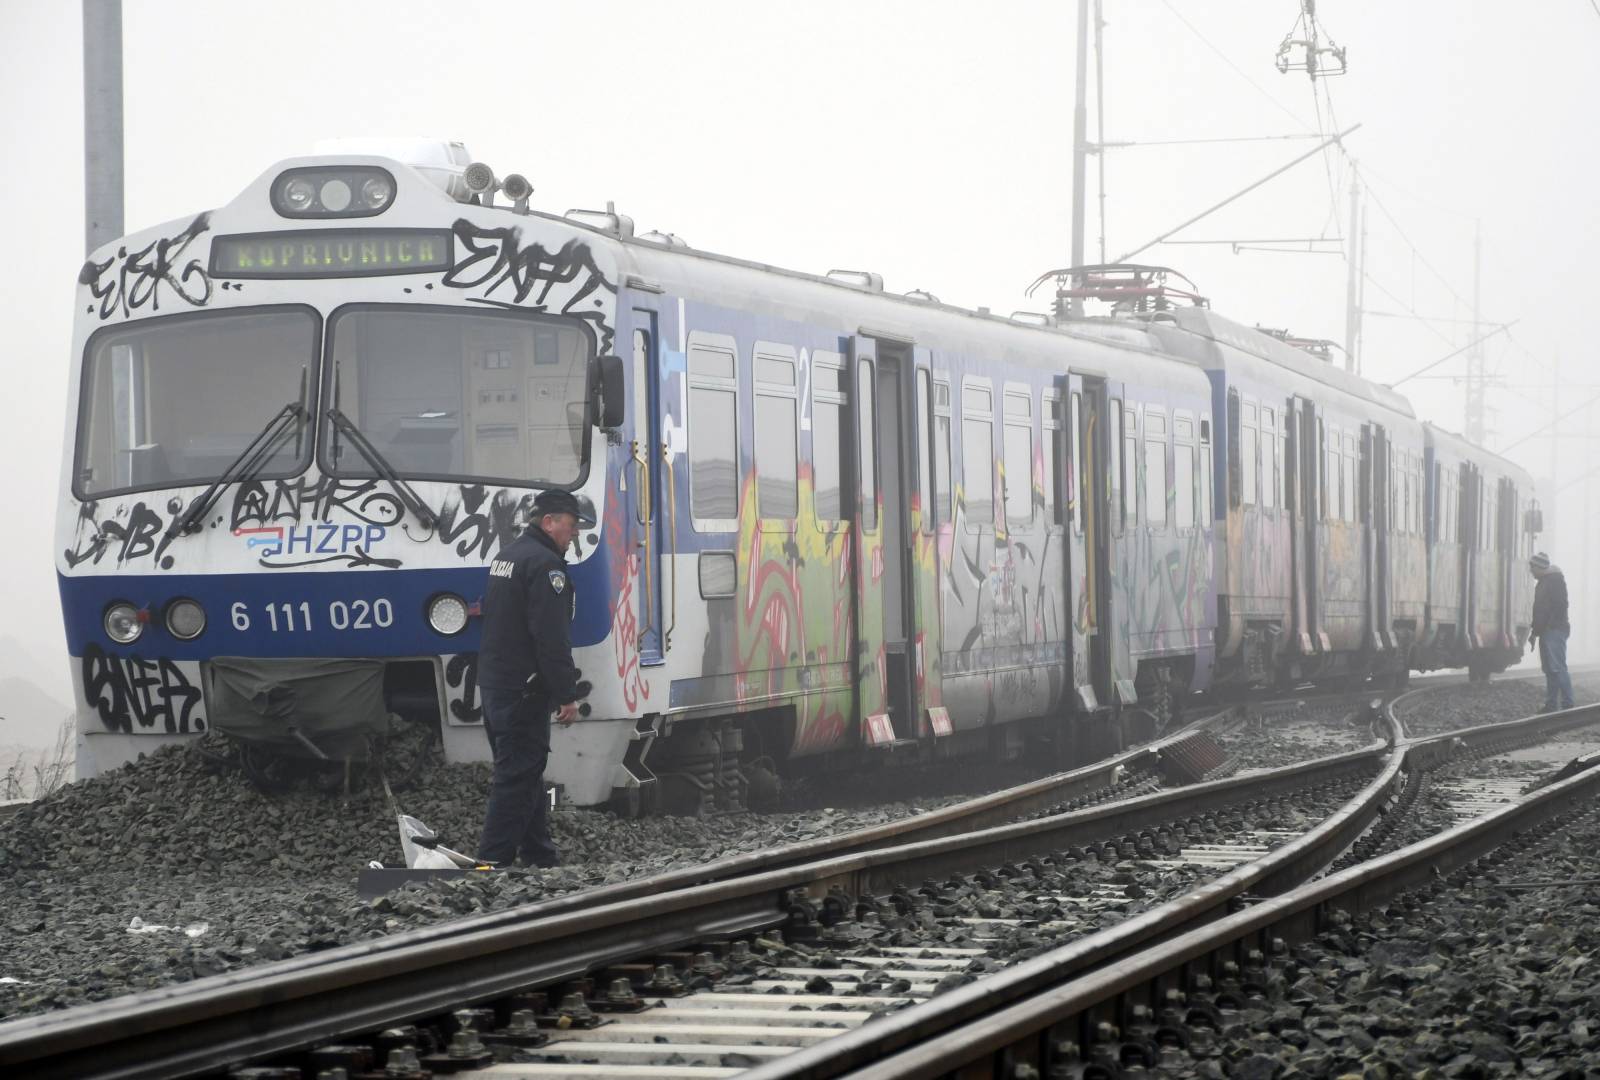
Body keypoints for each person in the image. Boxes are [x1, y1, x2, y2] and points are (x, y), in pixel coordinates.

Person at [475, 489, 592, 867]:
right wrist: (566, 694)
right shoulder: (546, 567)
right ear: (549, 522)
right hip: (524, 690)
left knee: (525, 772)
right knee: (516, 777)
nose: (574, 534)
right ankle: (490, 864)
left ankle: (540, 854)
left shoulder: (506, 558)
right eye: (571, 526)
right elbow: (551, 637)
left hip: (496, 684)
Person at [1528, 551, 1574, 713]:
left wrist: (1552, 625)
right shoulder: (1543, 582)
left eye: (1532, 567)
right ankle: (1551, 705)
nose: (1531, 570)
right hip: (1546, 631)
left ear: (1540, 567)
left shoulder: (1554, 580)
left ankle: (1568, 704)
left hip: (1554, 630)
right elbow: (1539, 611)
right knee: (1549, 669)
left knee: (1557, 667)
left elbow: (1561, 604)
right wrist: (1534, 633)